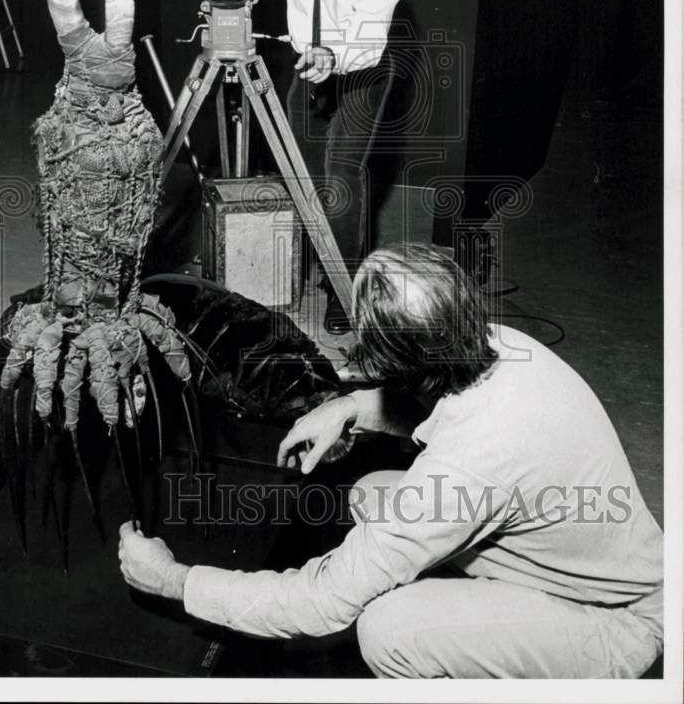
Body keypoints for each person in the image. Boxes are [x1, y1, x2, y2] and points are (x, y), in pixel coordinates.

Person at [118, 243, 663, 679]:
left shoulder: (463, 470)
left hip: (621, 624)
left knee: (387, 629)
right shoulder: (500, 342)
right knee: (372, 493)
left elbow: (317, 605)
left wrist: (174, 580)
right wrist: (350, 405)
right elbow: (442, 392)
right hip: (595, 561)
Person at [198, 0, 401, 334]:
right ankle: (313, 262)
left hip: (358, 75)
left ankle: (343, 288)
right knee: (305, 181)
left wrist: (332, 55)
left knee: (339, 181)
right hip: (306, 70)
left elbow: (369, 43)